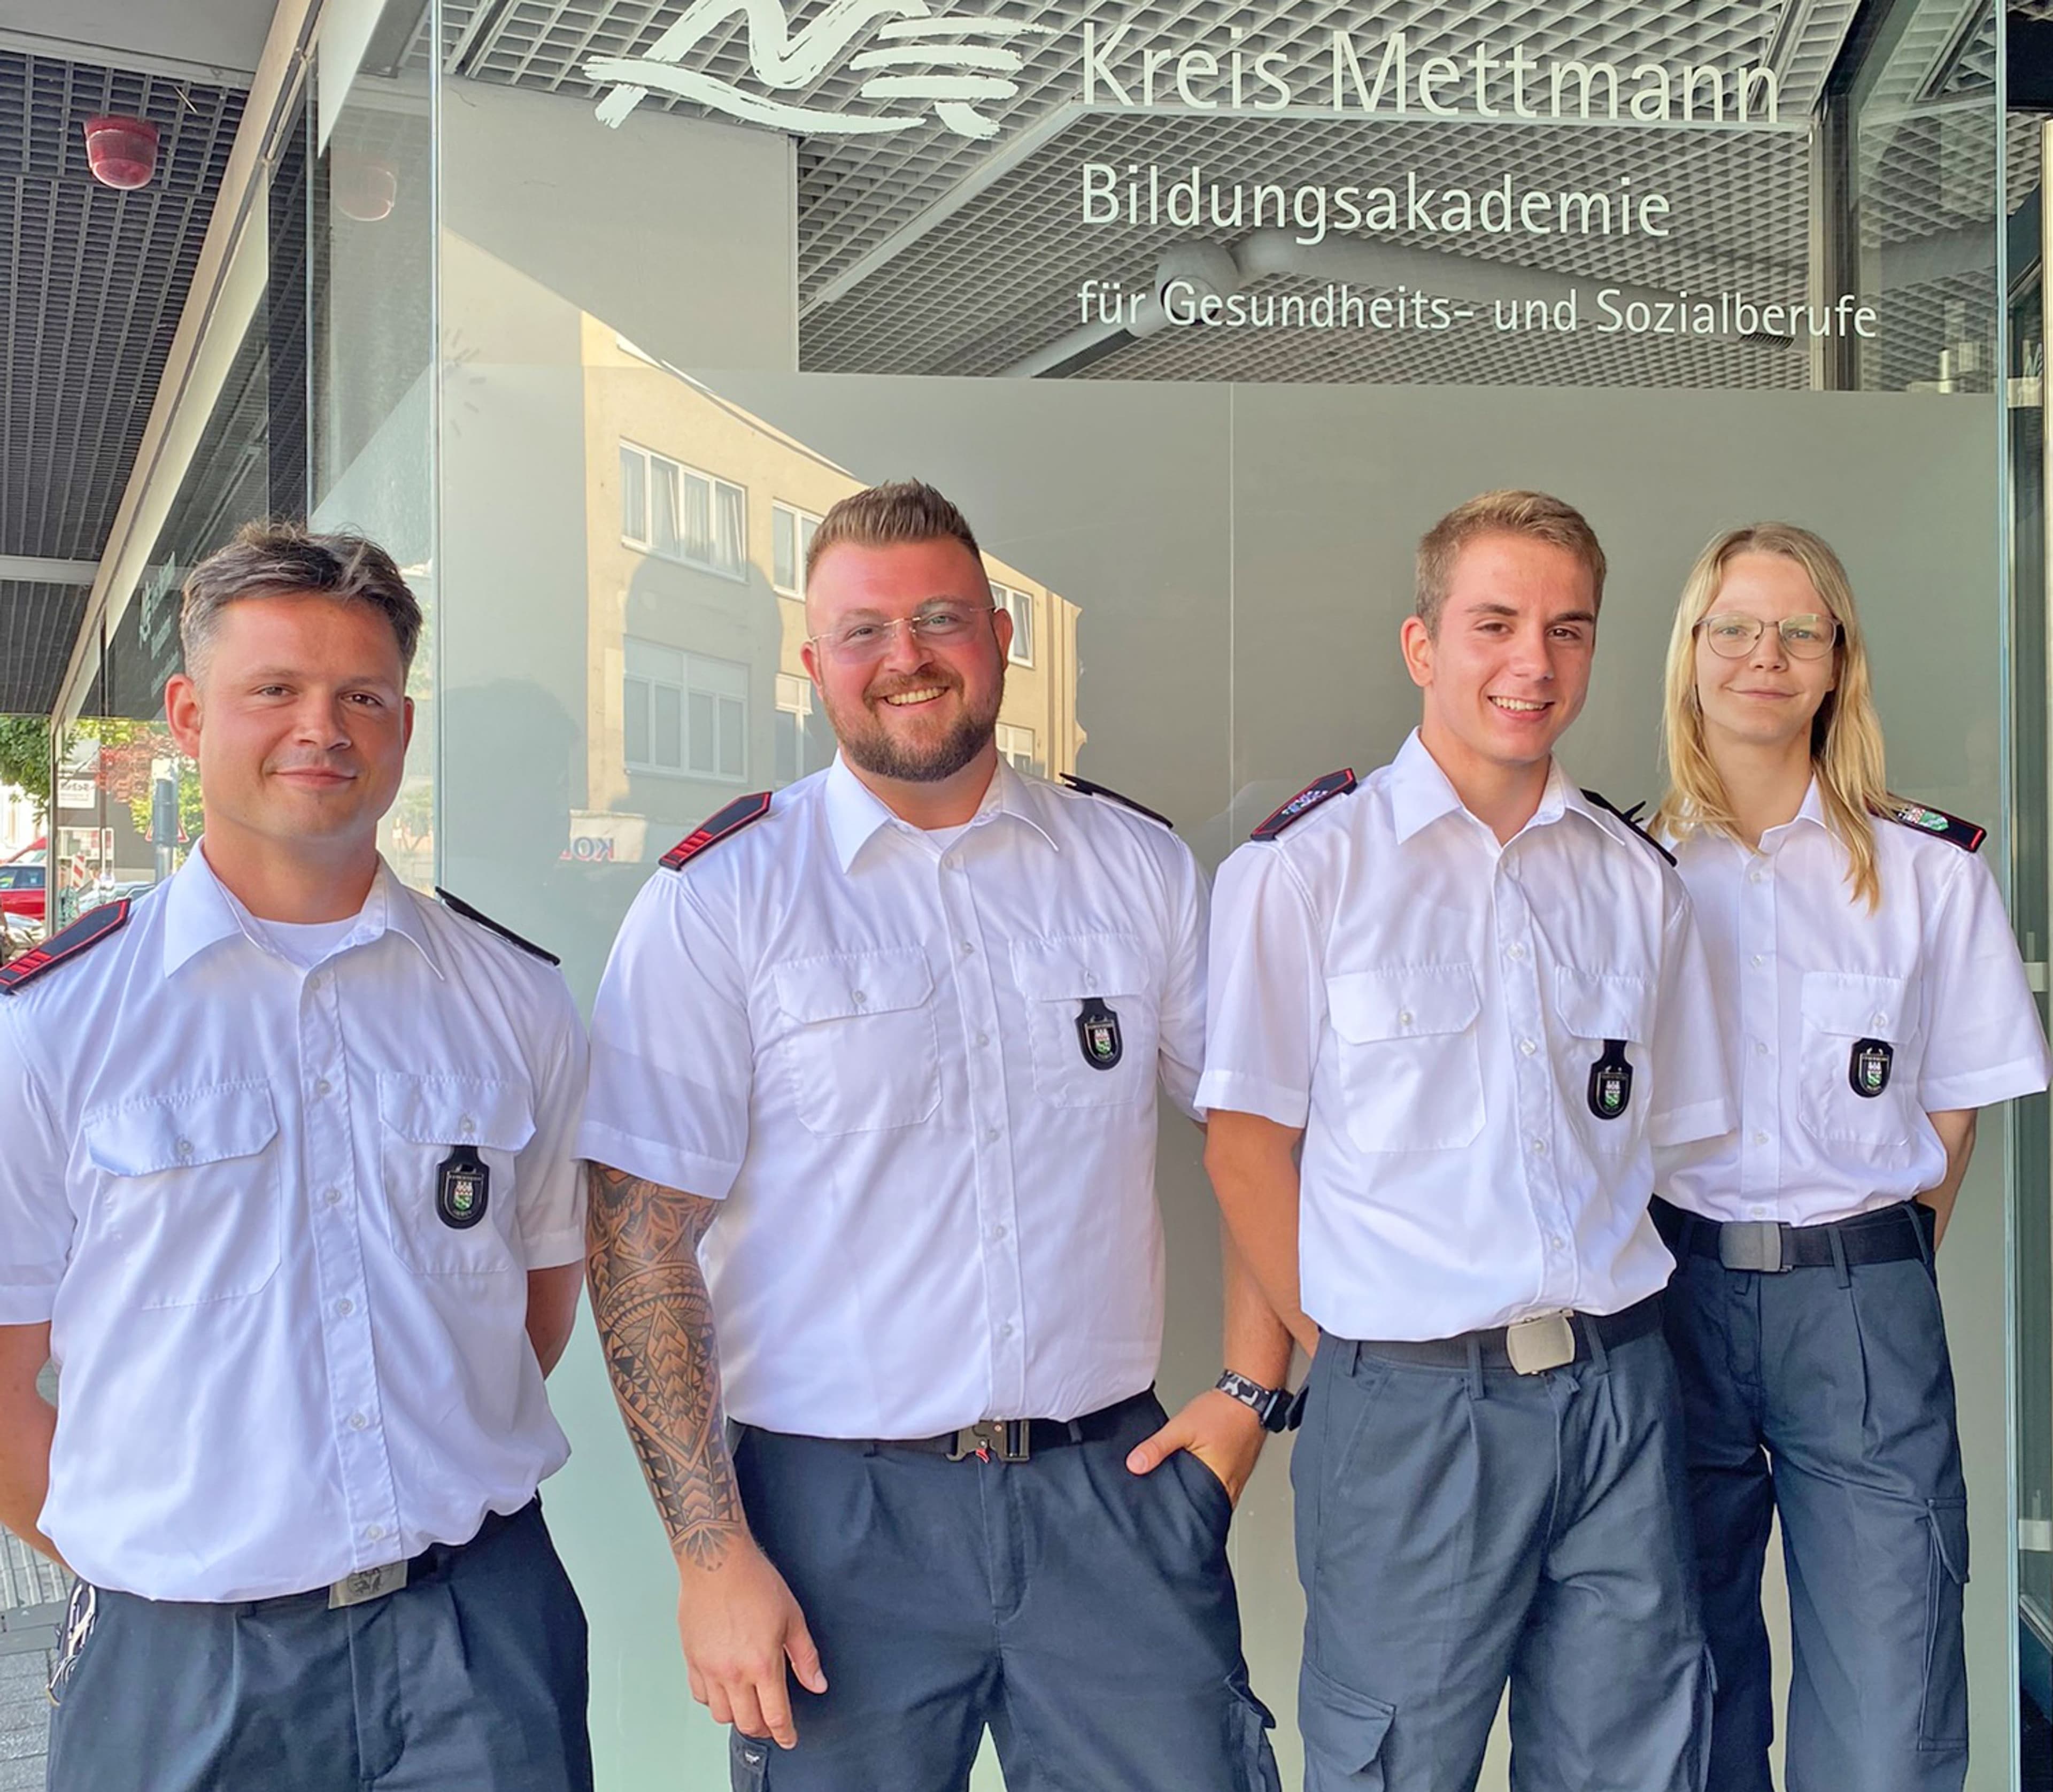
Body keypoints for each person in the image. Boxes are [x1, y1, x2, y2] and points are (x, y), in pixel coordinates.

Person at [578, 479, 1288, 1792]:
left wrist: (1253, 1392)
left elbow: (1256, 1133)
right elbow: (635, 1238)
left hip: (1108, 1492)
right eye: (863, 631)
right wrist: (711, 1556)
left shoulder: (1132, 865)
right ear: (814, 665)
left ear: (1002, 634)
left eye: (940, 617)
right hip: (832, 1524)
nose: (905, 656)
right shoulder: (719, 902)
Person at [0, 523, 594, 1792]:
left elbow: (530, 1309)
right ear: (185, 711)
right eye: (275, 688)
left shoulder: (517, 1000)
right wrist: (165, 1549)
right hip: (186, 1664)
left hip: (480, 1641)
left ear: (402, 727)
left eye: (360, 695)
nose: (320, 726)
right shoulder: (54, 1024)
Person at [1200, 489, 1733, 1792]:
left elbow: (1667, 1151)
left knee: (1633, 1760)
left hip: (1617, 1393)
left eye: (1567, 628)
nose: (1531, 662)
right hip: (1416, 1409)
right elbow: (1244, 1146)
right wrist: (1365, 1355)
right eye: (1494, 623)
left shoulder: (1633, 877)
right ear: (1421, 644)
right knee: (1399, 1766)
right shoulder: (1305, 870)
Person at [1646, 523, 2050, 1792]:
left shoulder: (1932, 875)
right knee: (1676, 1686)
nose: (1765, 656)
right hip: (1666, 1294)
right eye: (1735, 628)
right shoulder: (1620, 870)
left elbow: (1951, 1113)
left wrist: (1868, 1274)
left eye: (1798, 631)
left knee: (1891, 1705)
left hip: (1861, 1295)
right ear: (1691, 656)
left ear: (1837, 665)